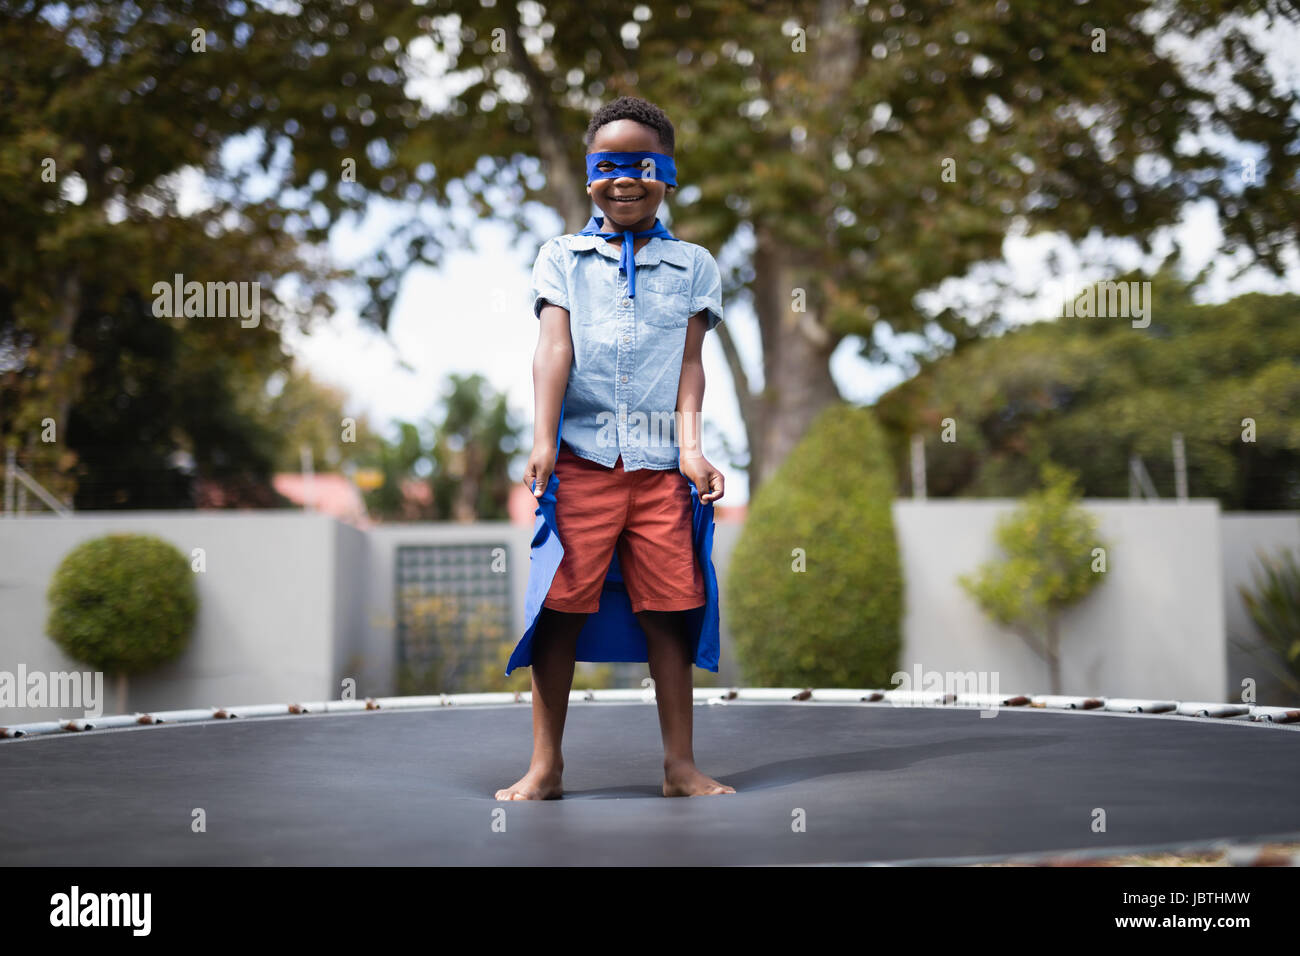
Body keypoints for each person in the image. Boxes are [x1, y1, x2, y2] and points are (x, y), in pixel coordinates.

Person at [497, 96, 736, 800]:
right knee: (560, 611)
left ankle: (679, 766)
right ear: (590, 173)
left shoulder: (693, 265)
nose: (623, 179)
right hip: (582, 463)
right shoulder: (560, 258)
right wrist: (543, 440)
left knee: (669, 610)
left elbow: (691, 365)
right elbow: (553, 348)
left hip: (661, 468)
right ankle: (546, 765)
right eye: (607, 165)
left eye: (640, 164)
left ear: (666, 173)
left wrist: (691, 450)